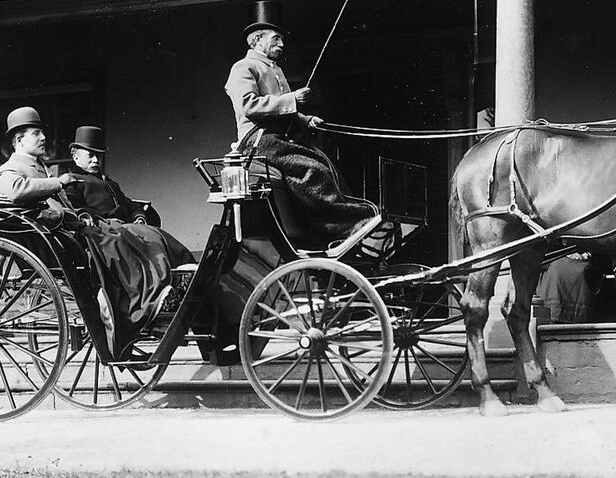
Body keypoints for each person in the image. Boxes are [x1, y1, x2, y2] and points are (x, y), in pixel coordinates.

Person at [0, 107, 193, 357]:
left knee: (123, 237)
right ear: (18, 140)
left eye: (42, 132)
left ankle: (150, 296)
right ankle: (139, 305)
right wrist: (60, 183)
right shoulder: (11, 168)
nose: (43, 138)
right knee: (114, 239)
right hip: (51, 236)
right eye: (36, 133)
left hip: (67, 229)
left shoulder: (38, 167)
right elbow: (16, 190)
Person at [223, 19, 375, 240]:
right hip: (259, 140)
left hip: (278, 139)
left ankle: (346, 222)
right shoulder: (243, 67)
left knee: (325, 164)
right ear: (257, 41)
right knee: (312, 169)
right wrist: (292, 98)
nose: (282, 44)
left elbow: (281, 109)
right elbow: (248, 105)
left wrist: (305, 120)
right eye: (276, 39)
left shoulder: (274, 69)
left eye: (282, 40)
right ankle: (336, 226)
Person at [63, 125, 149, 224]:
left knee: (155, 236)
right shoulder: (72, 181)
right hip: (99, 230)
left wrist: (139, 217)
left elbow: (130, 205)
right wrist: (106, 219)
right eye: (90, 155)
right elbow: (73, 207)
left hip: (124, 228)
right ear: (75, 157)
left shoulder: (111, 183)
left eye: (99, 156)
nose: (95, 160)